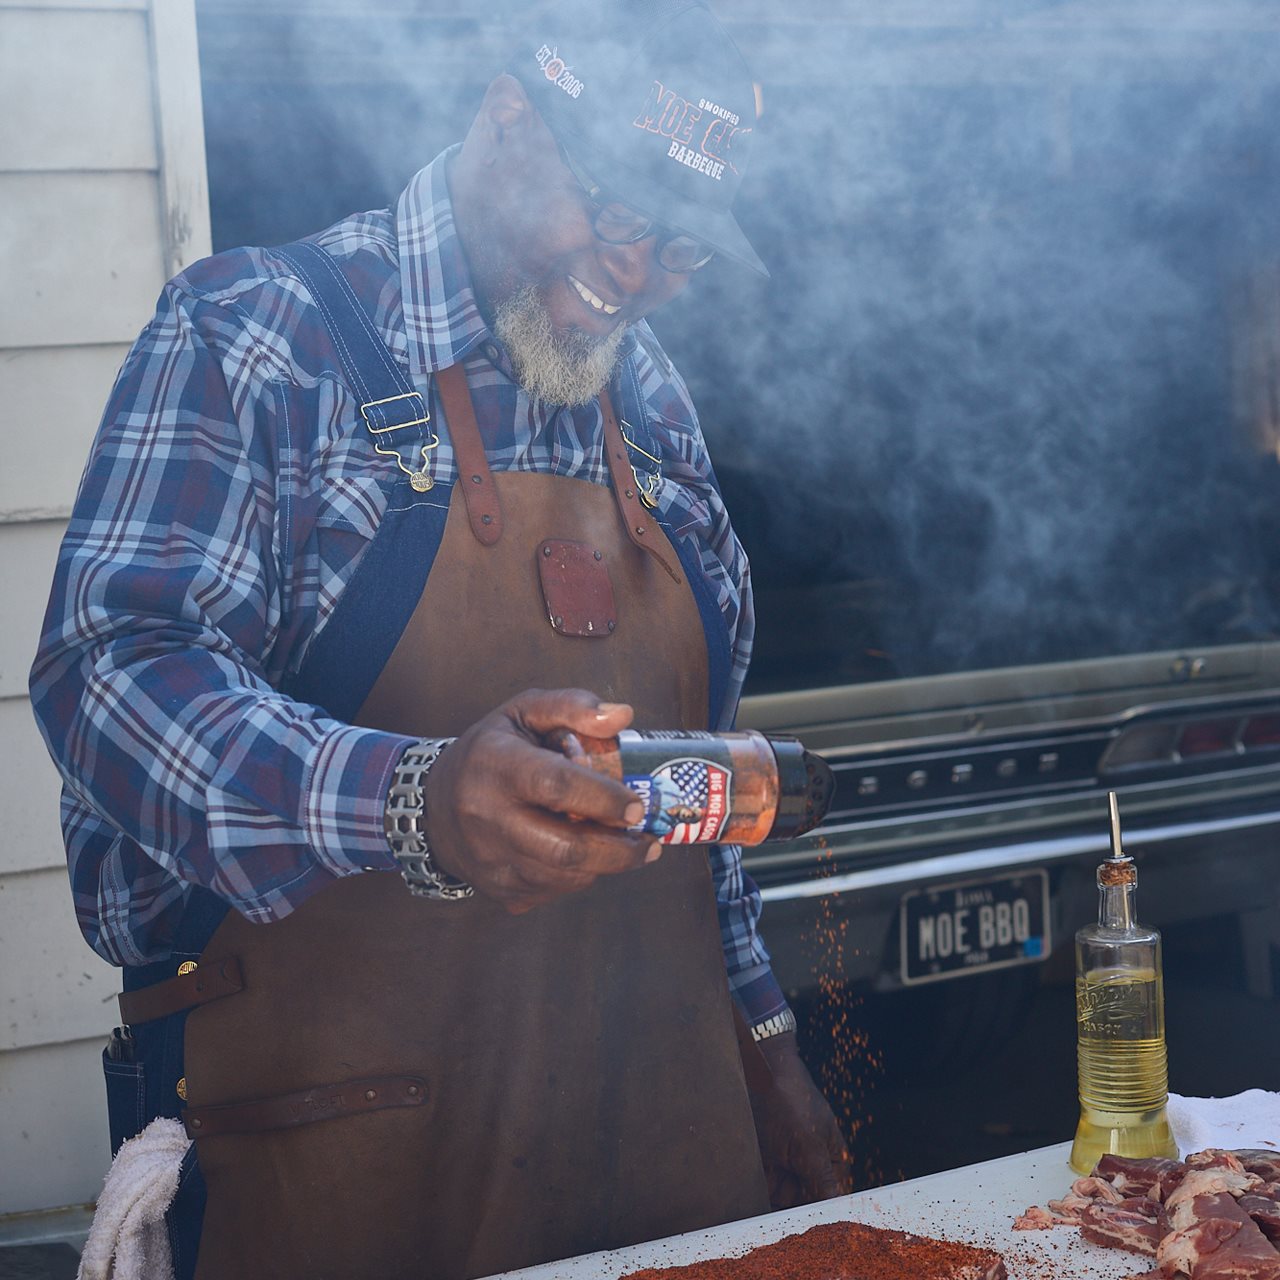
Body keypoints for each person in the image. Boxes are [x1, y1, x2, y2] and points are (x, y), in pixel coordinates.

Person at [30, 2, 851, 1276]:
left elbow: (687, 793)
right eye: (617, 216)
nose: (632, 276)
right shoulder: (256, 336)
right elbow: (112, 672)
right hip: (341, 1179)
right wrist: (411, 799)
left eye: (677, 248)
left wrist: (764, 1047)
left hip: (658, 1163)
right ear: (508, 108)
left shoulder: (650, 402)